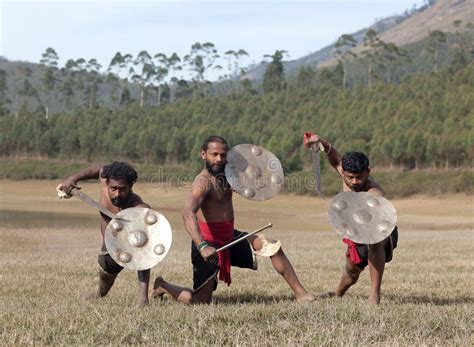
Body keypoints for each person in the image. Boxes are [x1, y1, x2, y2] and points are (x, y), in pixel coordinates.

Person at [152, 135, 314, 304]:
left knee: (272, 247)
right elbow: (187, 212)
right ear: (203, 154)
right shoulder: (202, 182)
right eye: (213, 154)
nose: (219, 159)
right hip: (208, 244)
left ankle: (301, 294)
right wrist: (202, 245)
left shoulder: (228, 176)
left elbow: (252, 173)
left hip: (230, 238)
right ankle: (162, 285)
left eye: (223, 155)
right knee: (200, 301)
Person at [304, 132, 398, 304]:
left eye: (359, 177)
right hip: (356, 231)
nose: (355, 182)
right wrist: (320, 141)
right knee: (352, 269)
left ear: (367, 172)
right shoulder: (344, 171)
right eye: (350, 177)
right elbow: (333, 156)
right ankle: (337, 293)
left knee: (375, 242)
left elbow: (378, 211)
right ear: (343, 172)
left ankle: (374, 295)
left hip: (379, 228)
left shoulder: (373, 191)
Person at [58, 161, 152, 307]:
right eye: (113, 188)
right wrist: (73, 179)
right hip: (109, 243)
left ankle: (143, 299)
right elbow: (100, 169)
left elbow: (145, 257)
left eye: (123, 189)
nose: (117, 194)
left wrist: (143, 299)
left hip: (130, 243)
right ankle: (100, 294)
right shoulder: (105, 182)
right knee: (105, 273)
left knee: (141, 251)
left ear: (131, 186)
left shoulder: (136, 206)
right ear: (106, 183)